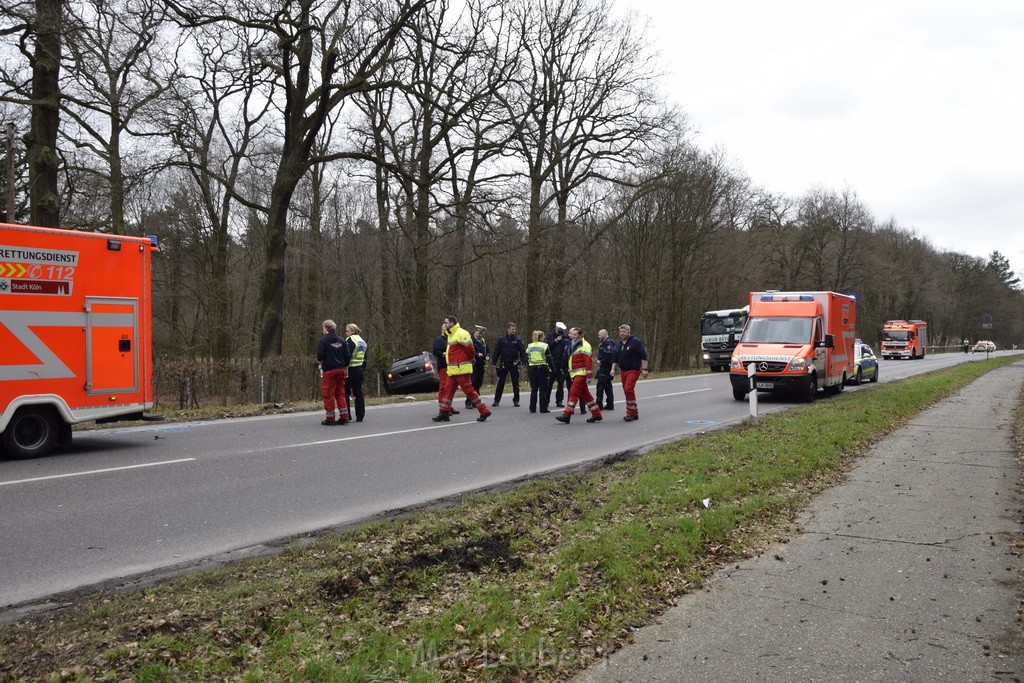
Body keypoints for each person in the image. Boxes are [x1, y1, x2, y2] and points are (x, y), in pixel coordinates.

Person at [433, 315, 491, 422]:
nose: (445, 325)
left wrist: (471, 359)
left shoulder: (461, 333)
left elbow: (470, 350)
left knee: (469, 391)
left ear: (452, 323)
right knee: (448, 391)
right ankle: (444, 412)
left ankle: (484, 411)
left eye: (446, 323)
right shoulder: (451, 334)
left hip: (461, 369)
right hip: (453, 370)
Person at [555, 326, 602, 424]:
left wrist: (588, 376)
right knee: (586, 395)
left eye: (574, 334)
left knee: (573, 392)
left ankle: (567, 414)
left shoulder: (584, 345)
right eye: (571, 334)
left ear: (580, 335)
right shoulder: (573, 343)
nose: (572, 336)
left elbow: (588, 362)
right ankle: (596, 414)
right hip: (575, 373)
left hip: (581, 373)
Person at [611, 324, 648, 422]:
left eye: (624, 332)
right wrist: (613, 369)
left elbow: (643, 355)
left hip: (633, 369)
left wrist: (645, 369)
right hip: (623, 370)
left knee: (628, 389)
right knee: (627, 391)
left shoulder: (635, 342)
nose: (622, 334)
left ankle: (630, 413)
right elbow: (615, 358)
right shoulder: (618, 344)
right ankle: (635, 412)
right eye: (620, 332)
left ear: (628, 332)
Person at [316, 319, 351, 425]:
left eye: (323, 328)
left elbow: (320, 356)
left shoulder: (323, 341)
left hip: (330, 370)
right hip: (341, 369)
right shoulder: (341, 340)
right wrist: (344, 365)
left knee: (328, 394)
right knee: (340, 393)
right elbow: (348, 356)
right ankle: (344, 416)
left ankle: (330, 418)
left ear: (326, 328)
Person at [492, 322, 527, 407]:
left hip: (514, 363)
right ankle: (496, 400)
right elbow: (497, 351)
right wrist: (494, 362)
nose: (513, 331)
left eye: (515, 329)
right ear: (507, 329)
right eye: (512, 329)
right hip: (504, 363)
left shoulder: (517, 339)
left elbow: (522, 351)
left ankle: (516, 400)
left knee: (515, 382)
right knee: (501, 382)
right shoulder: (501, 339)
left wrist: (523, 361)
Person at [525, 330, 554, 413]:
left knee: (534, 389)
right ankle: (543, 408)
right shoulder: (544, 346)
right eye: (543, 336)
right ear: (541, 337)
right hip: (542, 369)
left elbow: (527, 356)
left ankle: (532, 408)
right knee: (543, 389)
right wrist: (553, 369)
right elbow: (549, 359)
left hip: (532, 369)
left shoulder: (530, 346)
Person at [432, 327, 459, 415]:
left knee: (451, 388)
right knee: (443, 387)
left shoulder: (451, 338)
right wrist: (446, 354)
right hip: (443, 366)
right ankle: (442, 408)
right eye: (445, 328)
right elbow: (435, 352)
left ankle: (448, 406)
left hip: (452, 366)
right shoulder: (439, 340)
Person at [345, 323, 368, 422]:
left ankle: (347, 415)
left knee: (345, 392)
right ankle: (360, 416)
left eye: (347, 331)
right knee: (358, 392)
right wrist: (363, 368)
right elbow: (365, 358)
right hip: (359, 369)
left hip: (350, 369)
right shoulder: (362, 341)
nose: (346, 332)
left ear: (353, 331)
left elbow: (347, 355)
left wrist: (344, 367)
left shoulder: (350, 340)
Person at [545, 322, 570, 407]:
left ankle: (559, 400)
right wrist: (556, 341)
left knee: (561, 383)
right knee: (549, 383)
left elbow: (567, 346)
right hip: (552, 361)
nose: (560, 332)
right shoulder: (550, 335)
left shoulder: (565, 336)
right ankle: (546, 400)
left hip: (561, 362)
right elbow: (547, 346)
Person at [466, 325, 490, 409]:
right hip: (473, 364)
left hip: (481, 364)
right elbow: (468, 351)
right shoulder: (470, 340)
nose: (480, 335)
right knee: (472, 383)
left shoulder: (482, 341)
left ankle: (476, 401)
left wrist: (487, 355)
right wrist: (476, 354)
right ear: (475, 331)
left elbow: (487, 350)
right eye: (479, 333)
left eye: (481, 333)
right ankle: (469, 401)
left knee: (478, 383)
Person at [595, 328, 616, 410]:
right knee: (608, 386)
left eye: (600, 335)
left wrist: (601, 361)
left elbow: (609, 355)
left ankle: (599, 404)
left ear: (604, 334)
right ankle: (610, 404)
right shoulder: (605, 342)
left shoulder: (608, 342)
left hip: (605, 367)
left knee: (600, 386)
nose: (598, 336)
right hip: (607, 367)